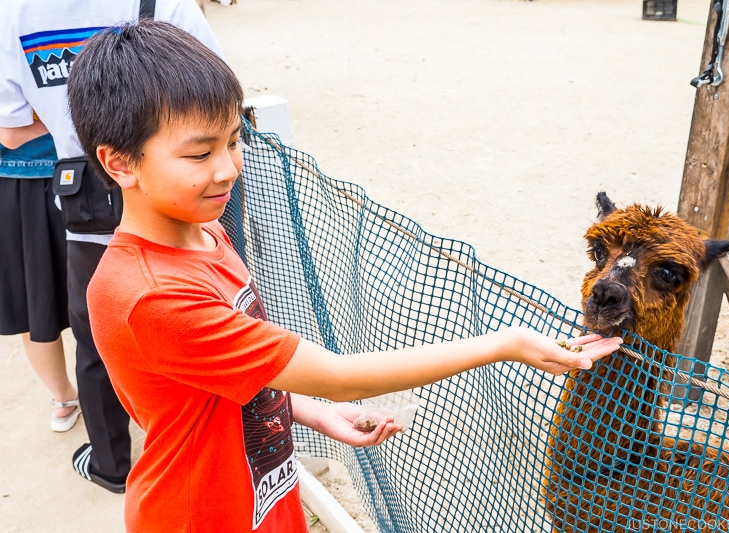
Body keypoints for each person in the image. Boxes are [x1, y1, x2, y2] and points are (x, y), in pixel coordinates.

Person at [71, 20, 623, 533]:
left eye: (234, 141)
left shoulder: (204, 232)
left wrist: (310, 411)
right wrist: (505, 343)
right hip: (203, 512)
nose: (229, 168)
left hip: (262, 491)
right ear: (120, 163)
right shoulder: (153, 296)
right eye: (199, 154)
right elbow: (339, 374)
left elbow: (225, 382)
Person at [0, 0, 224, 494]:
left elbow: (11, 130)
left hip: (85, 203)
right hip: (177, 200)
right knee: (206, 319)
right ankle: (212, 454)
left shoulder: (14, 13)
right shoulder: (161, 2)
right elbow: (217, 93)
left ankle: (112, 465)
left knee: (97, 339)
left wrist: (68, 127)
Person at [0, 120, 80, 433]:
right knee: (38, 304)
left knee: (108, 297)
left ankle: (73, 397)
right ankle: (64, 395)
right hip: (20, 177)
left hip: (79, 168)